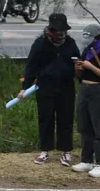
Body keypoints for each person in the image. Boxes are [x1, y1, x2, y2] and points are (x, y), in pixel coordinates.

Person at [19, 13, 79, 166]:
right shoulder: (40, 44)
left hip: (66, 86)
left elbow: (78, 63)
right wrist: (24, 88)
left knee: (66, 119)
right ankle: (45, 150)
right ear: (51, 30)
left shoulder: (70, 43)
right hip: (45, 86)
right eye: (57, 31)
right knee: (46, 119)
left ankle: (66, 151)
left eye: (63, 31)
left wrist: (80, 74)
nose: (60, 34)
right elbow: (31, 67)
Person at [72, 23, 100, 178]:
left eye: (89, 36)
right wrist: (79, 68)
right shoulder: (87, 51)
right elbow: (81, 75)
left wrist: (90, 66)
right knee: (85, 125)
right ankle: (86, 159)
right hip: (85, 89)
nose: (86, 40)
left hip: (99, 91)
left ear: (97, 37)